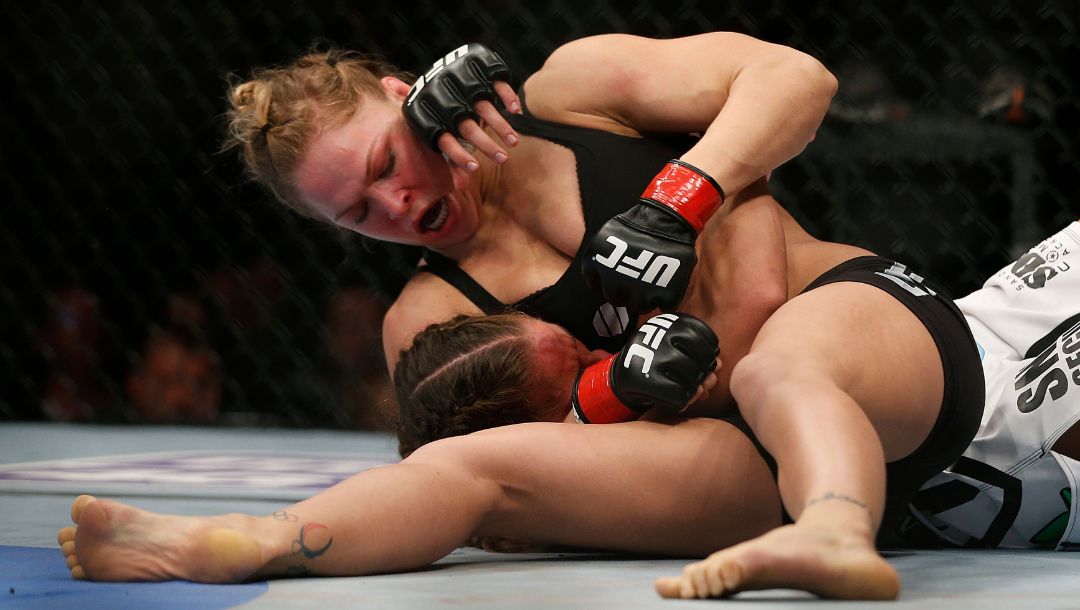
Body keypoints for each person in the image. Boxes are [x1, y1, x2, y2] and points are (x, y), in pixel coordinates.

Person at [218, 35, 984, 600]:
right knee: (466, 467)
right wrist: (611, 394)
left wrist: (680, 200)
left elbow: (798, 78)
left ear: (405, 94)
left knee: (776, 366)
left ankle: (835, 529)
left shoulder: (572, 93)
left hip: (864, 348)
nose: (395, 205)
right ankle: (244, 541)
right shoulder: (427, 318)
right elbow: (521, 511)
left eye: (385, 166)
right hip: (733, 469)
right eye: (356, 212)